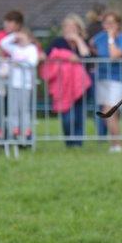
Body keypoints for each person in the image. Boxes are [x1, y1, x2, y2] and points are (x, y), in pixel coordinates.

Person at [42, 14, 92, 146]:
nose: (69, 29)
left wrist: (78, 40)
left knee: (79, 115)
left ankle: (78, 144)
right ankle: (69, 141)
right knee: (67, 117)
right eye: (66, 26)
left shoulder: (83, 41)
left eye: (72, 26)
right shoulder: (58, 42)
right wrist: (66, 56)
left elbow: (86, 56)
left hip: (81, 84)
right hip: (62, 85)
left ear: (78, 28)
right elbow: (48, 56)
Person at [90, 11, 122, 153]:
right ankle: (114, 144)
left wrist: (111, 38)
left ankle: (118, 144)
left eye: (111, 23)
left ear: (118, 24)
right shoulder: (99, 37)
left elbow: (114, 55)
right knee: (111, 114)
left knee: (108, 111)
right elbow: (91, 46)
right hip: (102, 78)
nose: (108, 25)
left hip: (118, 79)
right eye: (106, 22)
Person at [0, 29, 39, 140]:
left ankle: (26, 129)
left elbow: (32, 63)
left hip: (25, 84)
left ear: (29, 38)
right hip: (14, 83)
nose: (20, 39)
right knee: (13, 109)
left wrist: (19, 64)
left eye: (23, 37)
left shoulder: (32, 49)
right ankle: (14, 129)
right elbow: (3, 43)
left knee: (24, 109)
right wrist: (13, 35)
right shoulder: (15, 48)